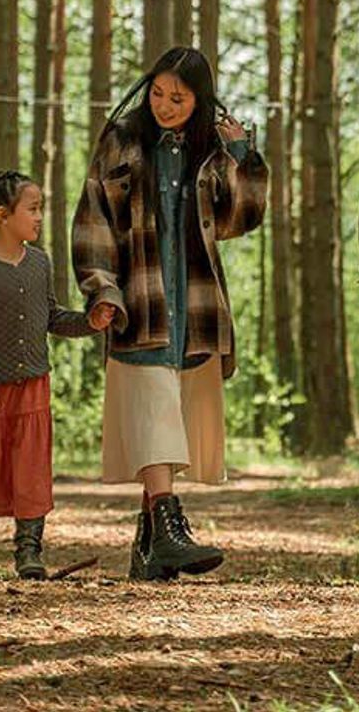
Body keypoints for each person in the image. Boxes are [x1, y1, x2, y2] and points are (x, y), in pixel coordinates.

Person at [74, 46, 268, 581]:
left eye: (178, 98)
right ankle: (170, 526)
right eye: (158, 93)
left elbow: (240, 219)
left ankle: (148, 549)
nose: (165, 104)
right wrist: (100, 289)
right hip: (138, 301)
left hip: (196, 305)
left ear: (199, 99)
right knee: (154, 408)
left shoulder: (213, 149)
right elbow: (94, 217)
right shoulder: (122, 140)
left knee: (171, 417)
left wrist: (244, 158)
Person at [0, 170, 111, 579]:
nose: (39, 217)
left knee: (30, 470)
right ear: (2, 215)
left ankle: (28, 551)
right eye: (32, 209)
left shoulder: (40, 263)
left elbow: (51, 317)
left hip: (33, 385)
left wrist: (90, 322)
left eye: (41, 209)